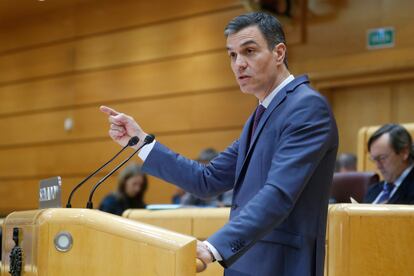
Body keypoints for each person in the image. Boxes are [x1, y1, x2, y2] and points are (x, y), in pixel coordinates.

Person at [101, 12, 338, 276]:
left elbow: (279, 194)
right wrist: (141, 142)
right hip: (244, 262)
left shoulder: (306, 107)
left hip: (279, 264)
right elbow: (207, 180)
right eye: (232, 55)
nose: (239, 64)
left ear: (279, 53)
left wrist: (214, 248)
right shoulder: (261, 115)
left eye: (249, 51)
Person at [363, 124, 414, 204]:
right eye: (374, 159)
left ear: (404, 152)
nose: (378, 166)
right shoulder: (373, 190)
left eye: (382, 158)